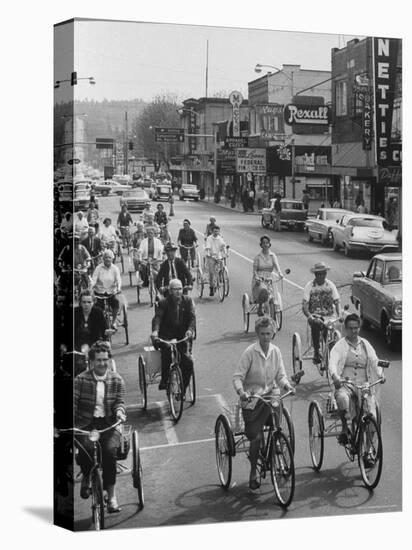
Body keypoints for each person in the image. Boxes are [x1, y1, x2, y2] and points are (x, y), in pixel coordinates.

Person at [233, 316, 295, 490]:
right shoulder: (250, 353)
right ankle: (253, 471)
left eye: (269, 333)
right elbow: (237, 377)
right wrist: (242, 392)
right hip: (253, 400)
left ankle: (276, 442)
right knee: (256, 438)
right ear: (257, 334)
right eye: (263, 334)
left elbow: (281, 375)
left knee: (277, 420)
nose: (266, 337)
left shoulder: (276, 351)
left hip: (270, 396)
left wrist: (287, 385)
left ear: (273, 333)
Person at [74, 340, 126, 513]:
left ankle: (111, 496)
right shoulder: (81, 380)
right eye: (98, 360)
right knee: (86, 448)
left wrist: (120, 412)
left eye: (105, 359)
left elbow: (120, 402)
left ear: (109, 360)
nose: (102, 363)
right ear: (91, 361)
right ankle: (87, 474)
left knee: (110, 452)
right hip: (85, 423)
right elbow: (72, 404)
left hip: (109, 423)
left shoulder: (117, 380)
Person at [328, 313, 384, 451]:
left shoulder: (365, 344)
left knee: (373, 419)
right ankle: (345, 428)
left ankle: (369, 450)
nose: (354, 331)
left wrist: (381, 374)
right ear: (345, 329)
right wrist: (335, 376)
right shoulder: (340, 346)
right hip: (346, 384)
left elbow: (375, 360)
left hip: (364, 385)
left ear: (359, 328)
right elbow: (332, 363)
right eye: (351, 328)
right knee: (342, 398)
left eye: (356, 328)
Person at [151, 278, 196, 391]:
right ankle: (165, 379)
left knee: (188, 362)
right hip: (166, 336)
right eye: (175, 289)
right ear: (170, 291)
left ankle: (183, 388)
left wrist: (190, 330)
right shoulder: (163, 303)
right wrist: (155, 331)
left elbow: (192, 318)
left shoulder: (188, 301)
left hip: (182, 336)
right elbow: (158, 318)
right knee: (166, 351)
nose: (178, 292)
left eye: (180, 289)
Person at [302, 261, 341, 365]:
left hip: (329, 316)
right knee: (316, 324)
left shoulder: (330, 285)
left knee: (330, 333)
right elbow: (305, 305)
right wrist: (309, 316)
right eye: (319, 274)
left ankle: (331, 354)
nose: (322, 276)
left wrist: (339, 315)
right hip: (315, 316)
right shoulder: (309, 286)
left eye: (323, 273)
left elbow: (337, 301)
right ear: (315, 275)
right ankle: (316, 351)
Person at [252, 235, 283, 316]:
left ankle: (273, 308)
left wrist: (280, 273)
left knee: (272, 295)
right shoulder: (258, 257)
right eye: (263, 243)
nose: (265, 244)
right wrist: (257, 277)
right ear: (261, 245)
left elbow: (277, 266)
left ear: (269, 244)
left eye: (267, 243)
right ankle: (260, 308)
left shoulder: (273, 256)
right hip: (260, 278)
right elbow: (254, 270)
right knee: (263, 290)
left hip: (270, 278)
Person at [91, 249, 122, 329]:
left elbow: (118, 279)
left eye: (109, 257)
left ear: (112, 259)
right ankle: (100, 323)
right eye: (106, 257)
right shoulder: (98, 268)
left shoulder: (115, 268)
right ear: (103, 259)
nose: (107, 259)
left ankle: (114, 321)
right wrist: (91, 287)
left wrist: (118, 288)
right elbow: (94, 279)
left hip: (111, 292)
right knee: (98, 309)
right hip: (99, 292)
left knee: (116, 303)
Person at [204, 225, 227, 296]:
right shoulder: (209, 238)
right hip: (211, 256)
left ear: (219, 231)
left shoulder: (220, 239)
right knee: (211, 272)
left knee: (221, 268)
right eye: (214, 231)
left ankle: (219, 278)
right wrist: (208, 253)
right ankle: (211, 287)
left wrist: (225, 253)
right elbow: (207, 247)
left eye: (217, 231)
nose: (216, 232)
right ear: (212, 231)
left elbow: (223, 246)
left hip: (218, 256)